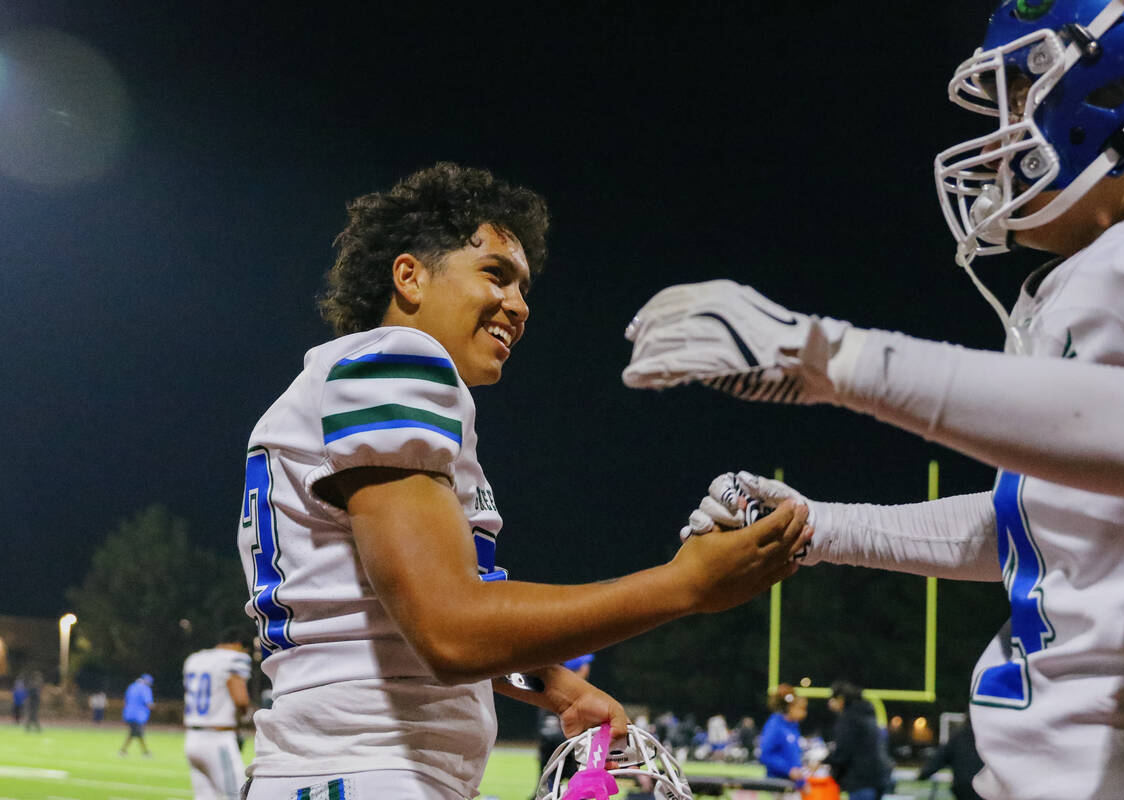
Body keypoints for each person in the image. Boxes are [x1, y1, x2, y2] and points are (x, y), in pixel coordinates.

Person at [622, 2, 1124, 798]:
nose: (1005, 130)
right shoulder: (1105, 270)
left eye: (1029, 91)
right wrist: (820, 526)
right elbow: (1039, 525)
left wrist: (829, 358)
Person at [235, 163, 808, 800]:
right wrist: (685, 585)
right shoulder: (396, 360)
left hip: (349, 771)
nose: (519, 304)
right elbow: (450, 630)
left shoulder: (354, 379)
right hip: (367, 772)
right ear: (410, 275)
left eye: (524, 286)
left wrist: (558, 684)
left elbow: (390, 618)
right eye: (495, 274)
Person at [183, 627, 253, 800]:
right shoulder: (234, 659)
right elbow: (241, 700)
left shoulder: (195, 659)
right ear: (238, 645)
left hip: (192, 738)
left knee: (205, 797)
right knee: (237, 796)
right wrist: (245, 716)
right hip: (217, 739)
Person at [533, 654, 593, 791]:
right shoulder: (558, 695)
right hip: (556, 757)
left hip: (573, 756)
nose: (587, 668)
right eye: (584, 665)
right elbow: (549, 732)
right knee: (548, 792)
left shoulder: (584, 695)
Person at [822, 682, 892, 800]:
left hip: (861, 781)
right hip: (878, 778)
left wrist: (824, 761)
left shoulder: (849, 719)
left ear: (840, 699)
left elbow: (843, 752)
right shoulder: (867, 714)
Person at [918, 716, 984, 800]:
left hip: (963, 788)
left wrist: (922, 775)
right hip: (984, 788)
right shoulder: (991, 738)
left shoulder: (957, 738)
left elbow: (938, 760)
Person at [758, 683, 808, 788]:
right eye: (801, 709)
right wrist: (788, 770)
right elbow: (765, 755)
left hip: (792, 785)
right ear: (790, 707)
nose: (804, 713)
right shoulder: (775, 725)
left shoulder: (793, 727)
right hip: (777, 784)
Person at [119, 673, 154, 756]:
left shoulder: (131, 687)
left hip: (128, 714)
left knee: (134, 733)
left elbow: (125, 700)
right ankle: (145, 752)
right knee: (139, 733)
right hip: (139, 715)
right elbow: (148, 703)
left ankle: (123, 751)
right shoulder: (145, 688)